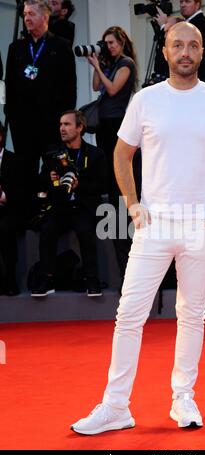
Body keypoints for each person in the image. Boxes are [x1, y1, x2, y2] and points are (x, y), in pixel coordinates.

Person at [70, 22, 205, 435]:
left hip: (202, 226)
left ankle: (183, 398)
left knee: (191, 314)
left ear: (202, 53)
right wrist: (132, 204)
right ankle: (115, 406)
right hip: (154, 225)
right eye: (177, 45)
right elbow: (122, 153)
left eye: (193, 45)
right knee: (128, 314)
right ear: (164, 52)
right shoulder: (145, 100)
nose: (186, 51)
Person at [5, 0, 77, 207]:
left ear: (45, 17)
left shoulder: (61, 46)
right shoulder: (16, 48)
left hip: (51, 123)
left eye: (32, 14)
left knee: (53, 170)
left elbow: (69, 88)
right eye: (25, 14)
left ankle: (53, 210)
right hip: (23, 124)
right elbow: (9, 84)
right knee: (24, 170)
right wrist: (11, 115)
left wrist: (64, 121)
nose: (27, 18)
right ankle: (27, 213)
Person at [31, 110, 107, 297]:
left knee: (85, 230)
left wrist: (79, 185)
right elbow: (41, 183)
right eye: (60, 124)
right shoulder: (51, 153)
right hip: (59, 206)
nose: (62, 129)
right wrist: (50, 179)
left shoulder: (95, 154)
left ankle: (91, 279)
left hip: (83, 206)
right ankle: (47, 279)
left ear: (80, 127)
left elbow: (103, 183)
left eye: (67, 124)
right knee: (47, 230)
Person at [87, 26, 138, 284]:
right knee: (107, 169)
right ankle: (113, 201)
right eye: (105, 43)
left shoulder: (126, 63)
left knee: (116, 169)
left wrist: (99, 67)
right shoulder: (111, 62)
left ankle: (120, 204)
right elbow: (97, 87)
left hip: (118, 123)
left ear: (121, 42)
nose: (108, 47)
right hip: (105, 124)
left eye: (111, 42)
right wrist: (98, 64)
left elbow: (113, 90)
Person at [155, 0, 205, 84]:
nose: (183, 5)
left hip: (195, 78)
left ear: (197, 4)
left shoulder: (201, 22)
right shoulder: (191, 22)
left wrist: (163, 26)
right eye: (181, 2)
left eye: (188, 2)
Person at [0, 122, 27, 296]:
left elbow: (23, 192)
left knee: (5, 230)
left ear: (1, 136)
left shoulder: (15, 161)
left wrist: (3, 196)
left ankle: (10, 280)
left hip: (8, 210)